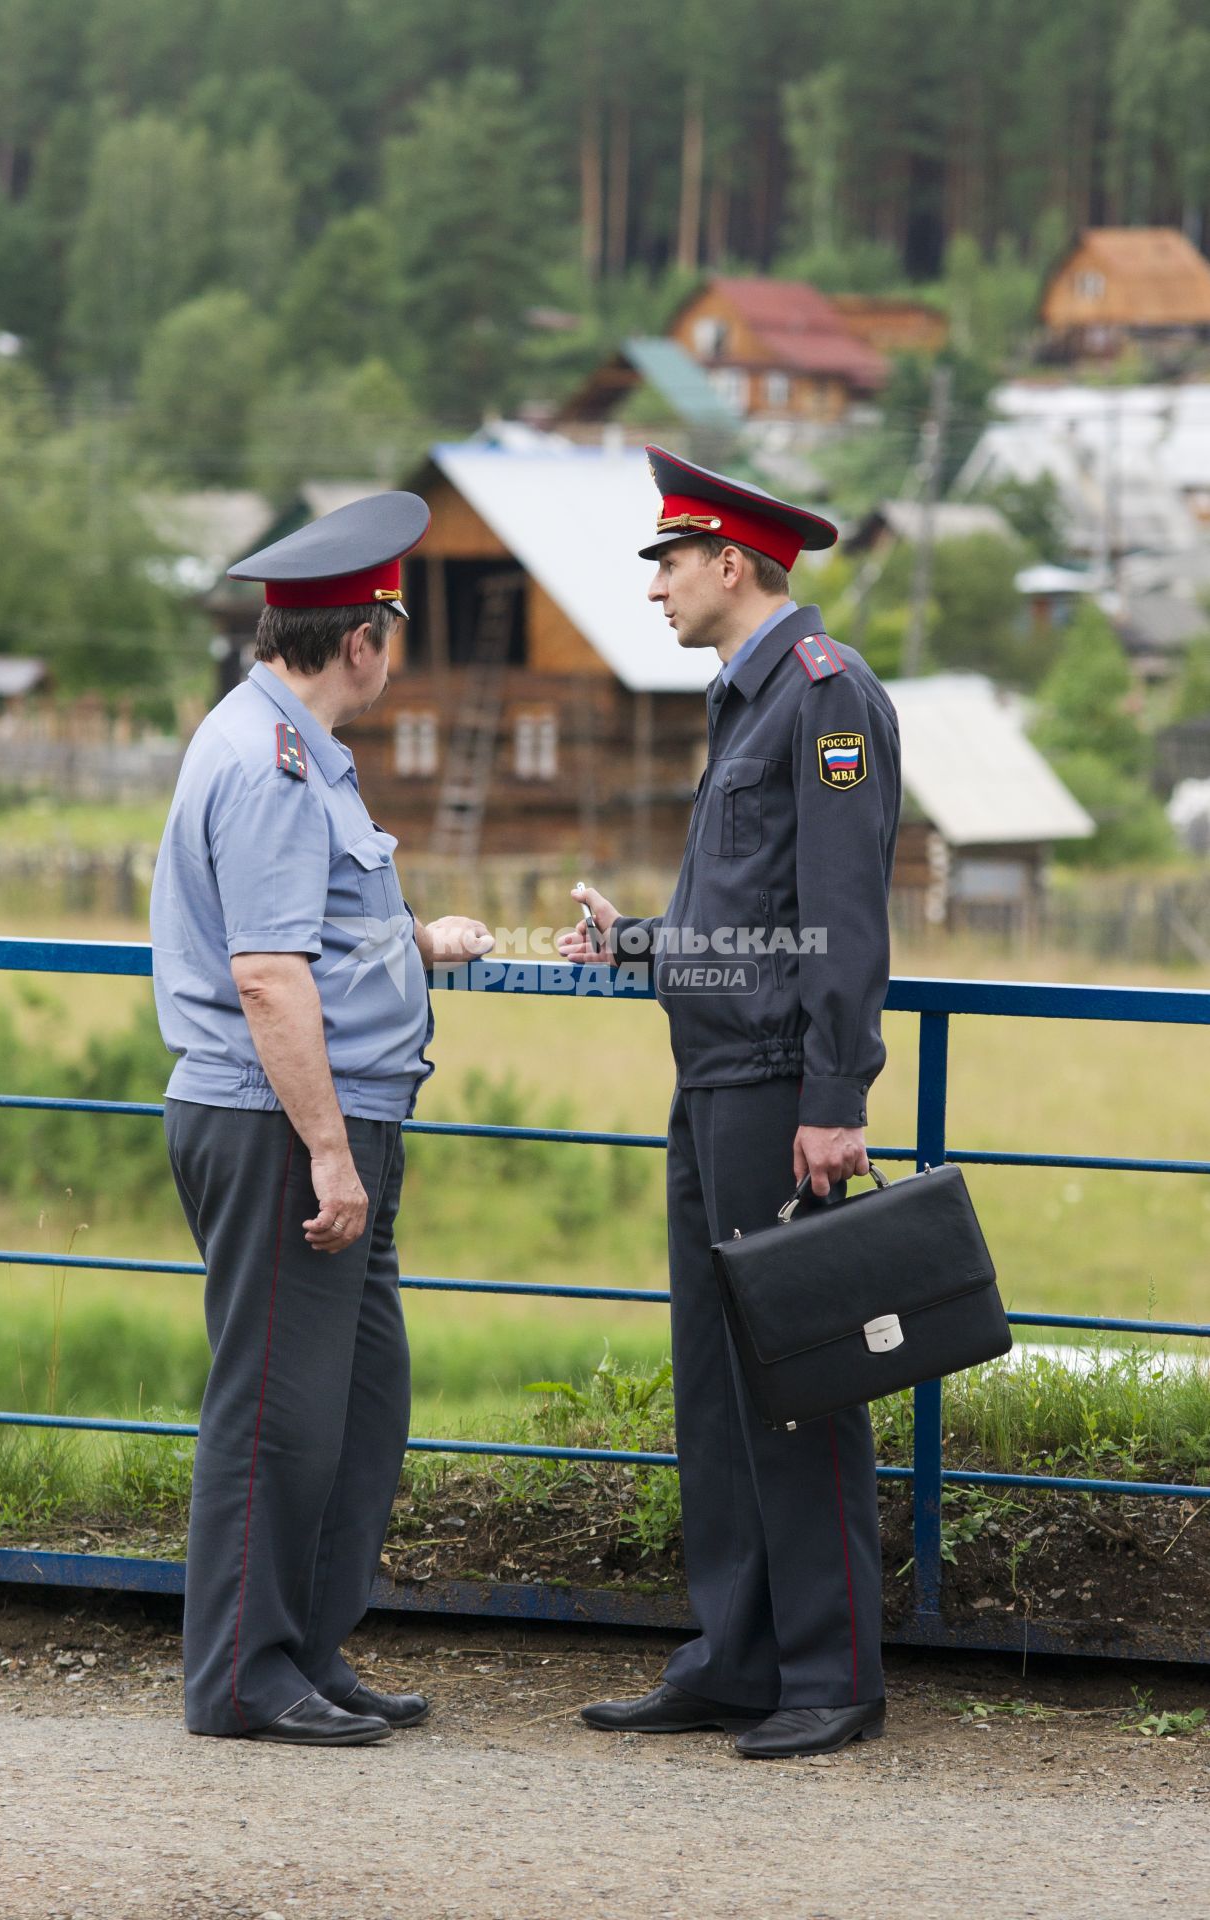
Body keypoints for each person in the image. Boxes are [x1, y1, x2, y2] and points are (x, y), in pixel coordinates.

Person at [558, 447, 902, 1759]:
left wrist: (833, 1094)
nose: (654, 585)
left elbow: (841, 919)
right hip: (712, 1082)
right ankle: (738, 1654)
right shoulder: (744, 699)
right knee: (714, 1380)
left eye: (669, 560)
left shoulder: (821, 697)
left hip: (777, 1096)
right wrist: (644, 945)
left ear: (734, 562)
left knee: (799, 1380)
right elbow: (746, 919)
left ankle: (828, 1675)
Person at [151, 492, 493, 1746]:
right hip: (287, 1130)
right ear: (362, 640)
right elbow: (264, 974)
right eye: (391, 628)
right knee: (278, 1413)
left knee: (357, 1407)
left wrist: (414, 941)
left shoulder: (293, 751)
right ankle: (244, 1675)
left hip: (330, 1124)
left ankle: (305, 1646)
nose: (390, 650)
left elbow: (315, 935)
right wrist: (332, 1157)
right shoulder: (271, 762)